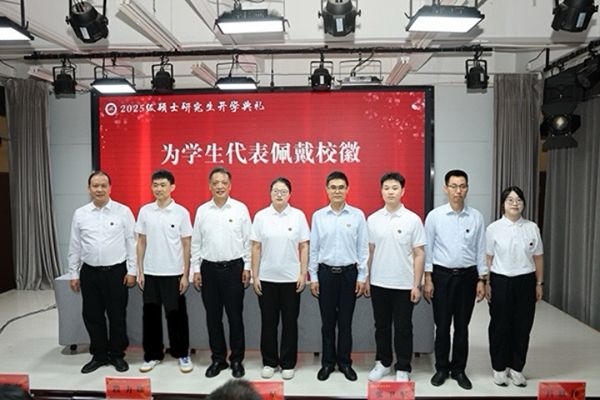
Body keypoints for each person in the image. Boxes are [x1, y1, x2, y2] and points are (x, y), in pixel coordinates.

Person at [423, 169, 487, 390]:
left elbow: (481, 249)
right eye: (453, 186)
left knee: (462, 326)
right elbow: (428, 249)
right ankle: (442, 368)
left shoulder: (476, 217)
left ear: (467, 188)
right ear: (445, 188)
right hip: (442, 276)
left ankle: (459, 369)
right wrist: (428, 278)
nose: (458, 190)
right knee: (442, 326)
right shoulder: (435, 216)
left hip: (468, 277)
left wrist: (482, 279)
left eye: (462, 186)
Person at [67, 170, 136, 374]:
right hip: (90, 273)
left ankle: (116, 355)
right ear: (89, 189)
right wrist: (73, 273)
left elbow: (131, 243)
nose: (99, 189)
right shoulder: (80, 214)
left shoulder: (123, 211)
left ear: (110, 188)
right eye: (95, 186)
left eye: (103, 185)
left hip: (116, 272)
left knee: (117, 316)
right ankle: (99, 355)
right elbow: (75, 245)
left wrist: (132, 270)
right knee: (92, 315)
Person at [191, 166, 251, 378]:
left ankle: (237, 360)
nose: (220, 186)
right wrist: (196, 269)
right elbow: (196, 243)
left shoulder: (240, 209)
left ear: (230, 185)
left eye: (224, 182)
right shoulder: (202, 211)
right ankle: (218, 359)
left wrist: (248, 267)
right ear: (209, 186)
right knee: (213, 317)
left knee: (235, 317)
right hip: (209, 270)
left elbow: (248, 241)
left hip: (234, 269)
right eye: (215, 183)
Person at [309, 170, 369, 382]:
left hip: (349, 275)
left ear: (347, 190)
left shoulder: (357, 215)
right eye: (333, 187)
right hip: (325, 274)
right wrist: (313, 277)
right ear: (327, 190)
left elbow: (363, 248)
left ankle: (344, 362)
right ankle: (327, 363)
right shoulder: (318, 216)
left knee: (345, 322)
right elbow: (313, 249)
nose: (337, 191)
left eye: (341, 187)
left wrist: (362, 276)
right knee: (327, 323)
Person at [366, 172, 426, 382]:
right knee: (381, 326)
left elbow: (419, 254)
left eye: (395, 188)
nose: (390, 192)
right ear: (381, 191)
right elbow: (370, 251)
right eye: (386, 188)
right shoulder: (373, 219)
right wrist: (367, 279)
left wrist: (416, 285)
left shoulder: (413, 220)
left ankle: (403, 367)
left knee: (403, 328)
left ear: (403, 191)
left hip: (404, 284)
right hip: (379, 283)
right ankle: (383, 363)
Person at [251, 177, 310, 380]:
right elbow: (256, 247)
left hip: (291, 279)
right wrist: (255, 275)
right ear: (270, 193)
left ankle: (287, 363)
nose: (279, 194)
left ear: (290, 194)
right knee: (268, 323)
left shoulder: (298, 216)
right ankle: (269, 362)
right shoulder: (261, 216)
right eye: (275, 191)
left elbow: (304, 246)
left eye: (283, 191)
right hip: (266, 278)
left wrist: (303, 273)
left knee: (289, 323)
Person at [485, 186, 544, 387]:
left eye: (519, 200)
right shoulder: (493, 228)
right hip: (500, 280)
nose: (515, 203)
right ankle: (499, 368)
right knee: (499, 326)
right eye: (510, 200)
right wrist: (487, 282)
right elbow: (488, 258)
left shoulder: (532, 227)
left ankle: (517, 368)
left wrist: (539, 283)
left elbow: (538, 257)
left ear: (523, 203)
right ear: (503, 204)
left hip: (525, 281)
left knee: (522, 326)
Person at [135, 169, 193, 373]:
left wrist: (185, 274)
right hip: (151, 273)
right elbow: (141, 242)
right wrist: (140, 271)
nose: (159, 189)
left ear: (172, 187)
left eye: (163, 185)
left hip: (173, 273)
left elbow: (186, 244)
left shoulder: (181, 212)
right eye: (155, 185)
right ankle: (152, 355)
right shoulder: (145, 211)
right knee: (150, 316)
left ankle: (182, 353)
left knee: (176, 316)